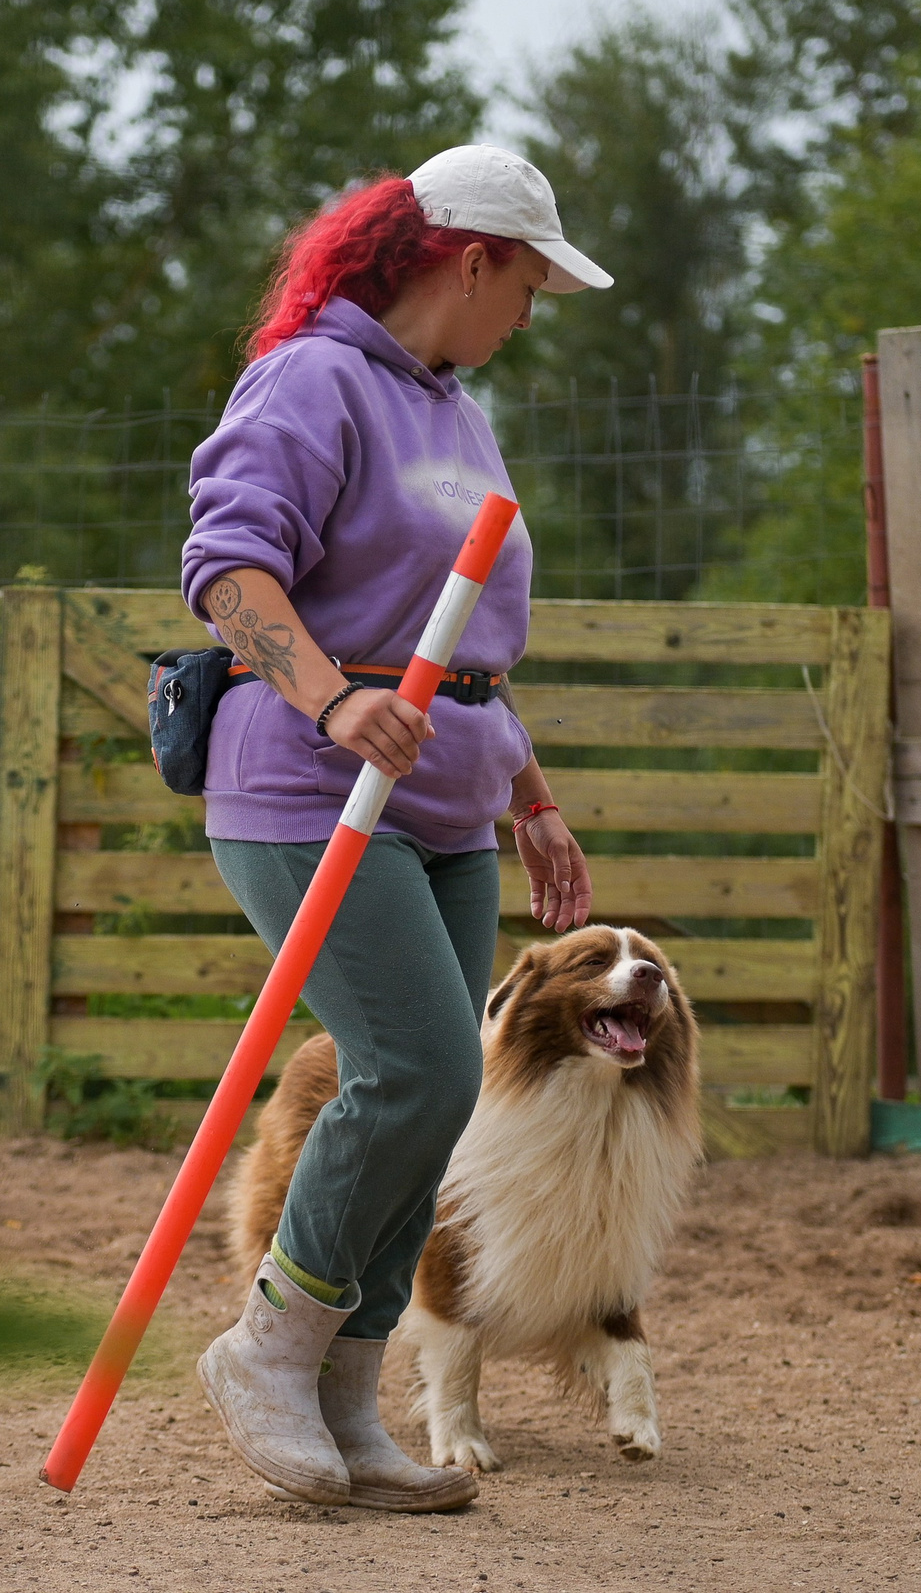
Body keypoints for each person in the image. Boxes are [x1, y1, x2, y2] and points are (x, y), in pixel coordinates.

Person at [177, 144, 607, 1512]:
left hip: (449, 792)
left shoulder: (459, 410)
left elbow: (463, 639)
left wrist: (529, 794)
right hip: (306, 785)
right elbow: (225, 568)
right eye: (528, 286)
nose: (529, 316)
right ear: (470, 261)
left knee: (450, 1090)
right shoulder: (311, 378)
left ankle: (351, 1400)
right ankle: (268, 1344)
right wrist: (328, 697)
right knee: (416, 1058)